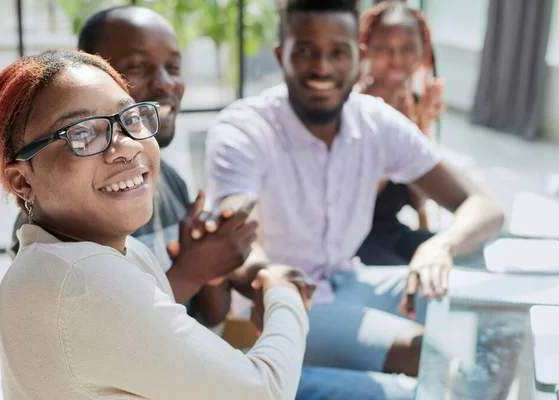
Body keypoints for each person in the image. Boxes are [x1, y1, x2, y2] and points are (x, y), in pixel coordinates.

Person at [0, 49, 312, 399]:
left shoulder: (86, 257)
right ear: (22, 181)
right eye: (81, 134)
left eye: (129, 117)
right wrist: (283, 292)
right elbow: (265, 392)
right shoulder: (83, 280)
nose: (125, 148)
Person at [206, 0, 504, 383]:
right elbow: (235, 239)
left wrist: (440, 246)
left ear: (358, 56)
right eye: (306, 51)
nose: (323, 67)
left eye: (338, 52)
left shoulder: (375, 121)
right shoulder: (244, 129)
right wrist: (267, 276)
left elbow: (483, 205)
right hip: (282, 301)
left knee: (490, 311)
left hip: (350, 279)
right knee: (431, 356)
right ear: (282, 55)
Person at [7, 6, 243, 326]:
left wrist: (213, 268)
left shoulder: (163, 179)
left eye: (173, 66)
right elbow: (105, 330)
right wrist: (192, 270)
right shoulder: (57, 215)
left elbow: (210, 319)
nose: (164, 84)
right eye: (137, 66)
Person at [355, 1, 446, 266]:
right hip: (350, 241)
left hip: (391, 231)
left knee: (455, 258)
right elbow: (350, 208)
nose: (396, 59)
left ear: (422, 52)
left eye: (408, 48)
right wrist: (396, 139)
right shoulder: (349, 108)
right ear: (366, 49)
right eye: (384, 48)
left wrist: (420, 133)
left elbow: (419, 199)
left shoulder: (416, 105)